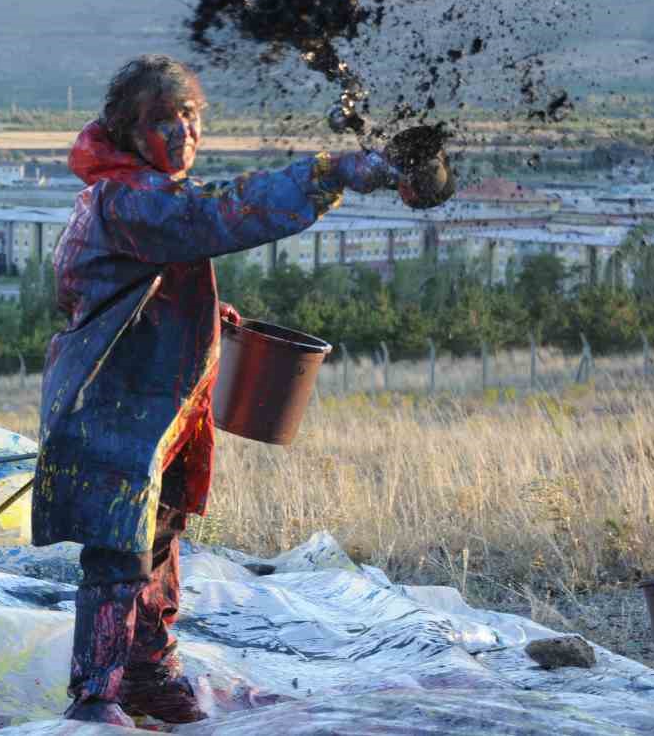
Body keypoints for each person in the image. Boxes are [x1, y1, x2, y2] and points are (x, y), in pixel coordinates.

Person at [34, 54, 401, 726]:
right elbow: (213, 217)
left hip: (157, 403)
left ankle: (147, 675)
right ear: (127, 129)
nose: (184, 134)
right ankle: (96, 695)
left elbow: (139, 283)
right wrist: (329, 174)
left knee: (161, 534)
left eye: (192, 117)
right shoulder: (128, 201)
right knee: (118, 550)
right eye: (164, 120)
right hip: (114, 402)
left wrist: (208, 316)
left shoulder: (136, 194)